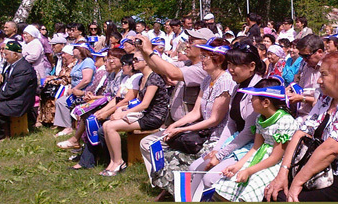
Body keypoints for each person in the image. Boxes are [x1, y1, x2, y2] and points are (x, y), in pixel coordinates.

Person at [265, 51, 338, 202]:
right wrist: (283, 172)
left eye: (324, 75)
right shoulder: (326, 97)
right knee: (272, 191)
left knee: (285, 198)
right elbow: (302, 132)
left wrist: (297, 182)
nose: (319, 81)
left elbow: (331, 148)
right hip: (318, 169)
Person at [148, 40, 237, 200]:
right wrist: (173, 126)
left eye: (206, 56)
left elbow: (214, 120)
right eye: (202, 55)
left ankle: (179, 193)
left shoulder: (226, 81)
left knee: (174, 155)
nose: (202, 59)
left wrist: (181, 130)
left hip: (217, 137)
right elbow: (196, 112)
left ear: (219, 59)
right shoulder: (207, 80)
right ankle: (175, 191)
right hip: (203, 133)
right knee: (165, 149)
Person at [188, 41, 266, 200]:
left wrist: (221, 154)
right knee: (195, 167)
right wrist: (216, 150)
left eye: (235, 65)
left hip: (253, 146)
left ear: (251, 66)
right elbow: (231, 123)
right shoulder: (238, 86)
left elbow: (248, 132)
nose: (230, 69)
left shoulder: (258, 90)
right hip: (235, 141)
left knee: (210, 178)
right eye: (229, 63)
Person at [214, 79, 298, 202]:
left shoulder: (285, 121)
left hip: (274, 164)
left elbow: (275, 157)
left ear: (266, 102)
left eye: (253, 98)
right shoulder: (260, 118)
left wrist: (248, 170)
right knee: (227, 185)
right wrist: (238, 165)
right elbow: (256, 147)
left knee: (252, 186)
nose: (250, 101)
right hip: (259, 156)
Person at [100, 51, 169, 176]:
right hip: (145, 114)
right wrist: (123, 109)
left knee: (111, 126)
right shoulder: (143, 78)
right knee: (106, 125)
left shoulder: (154, 79)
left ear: (146, 62)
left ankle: (119, 162)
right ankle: (113, 161)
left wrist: (123, 114)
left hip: (154, 117)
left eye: (136, 60)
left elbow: (144, 104)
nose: (133, 62)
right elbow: (138, 102)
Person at [0, 41, 37, 144]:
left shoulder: (24, 68)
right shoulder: (11, 65)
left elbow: (15, 89)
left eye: (6, 54)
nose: (4, 57)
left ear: (15, 55)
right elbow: (7, 82)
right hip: (13, 97)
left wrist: (0, 97)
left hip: (21, 101)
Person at [53, 44, 95, 136]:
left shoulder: (88, 61)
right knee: (60, 101)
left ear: (81, 50)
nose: (73, 50)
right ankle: (66, 126)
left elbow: (86, 79)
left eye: (75, 48)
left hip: (85, 91)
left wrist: (75, 89)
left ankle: (68, 127)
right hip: (75, 91)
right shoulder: (79, 62)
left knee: (63, 102)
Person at [288, 34, 325, 121]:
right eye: (301, 56)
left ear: (319, 52)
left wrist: (302, 99)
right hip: (300, 114)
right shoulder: (305, 65)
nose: (304, 59)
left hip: (315, 117)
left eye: (306, 56)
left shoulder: (328, 68)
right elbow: (300, 87)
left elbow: (326, 101)